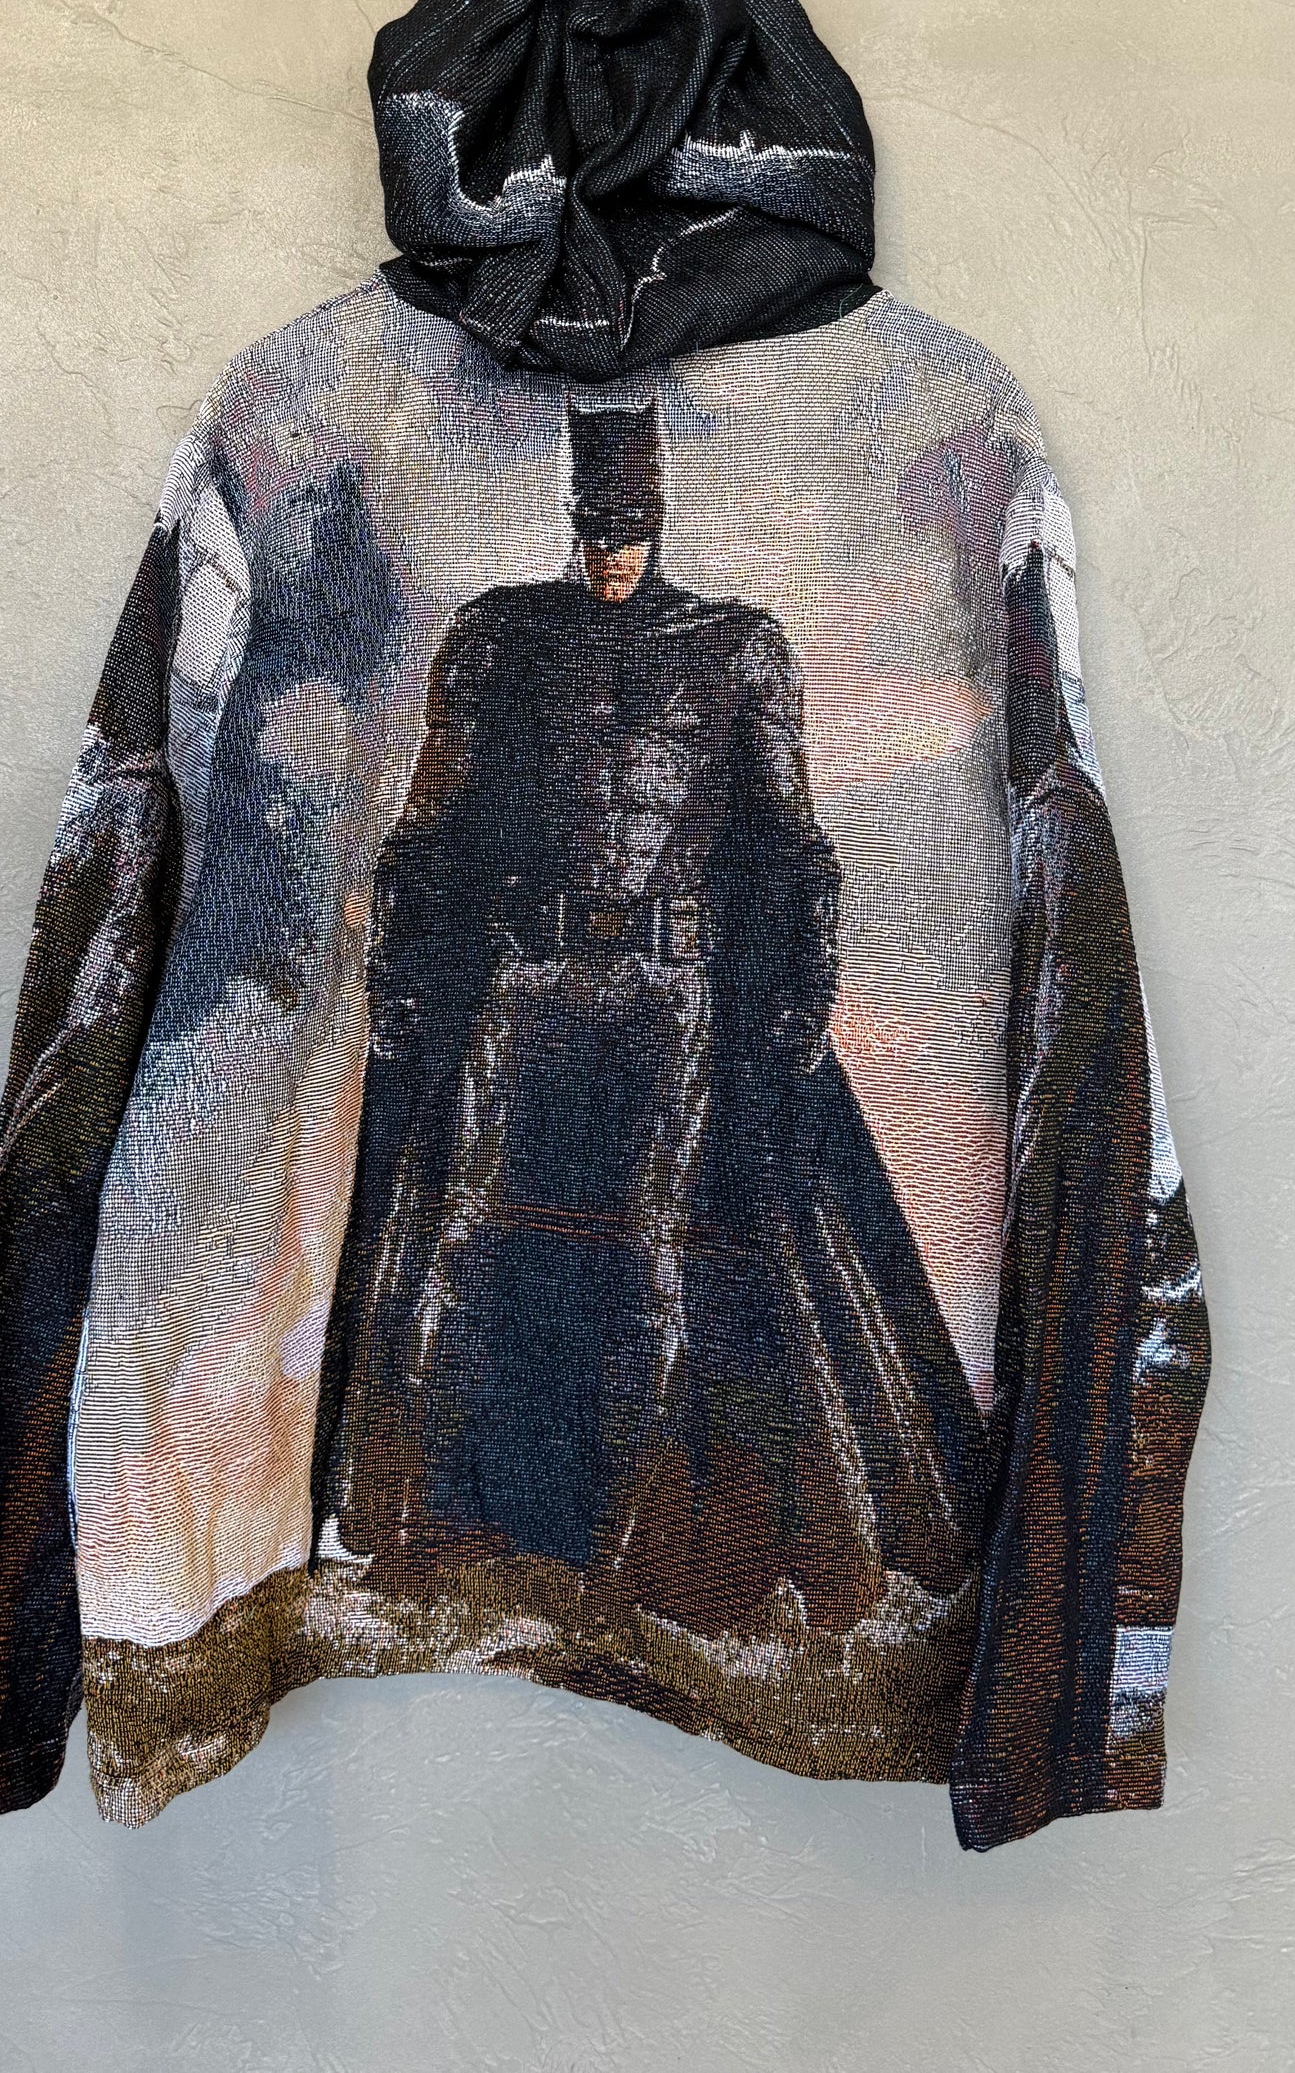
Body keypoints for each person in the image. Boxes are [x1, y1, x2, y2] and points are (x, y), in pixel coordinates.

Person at [311, 403, 985, 1643]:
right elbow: (425, 836)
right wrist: (402, 997)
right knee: (465, 1253)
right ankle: (432, 1529)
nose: (608, 553)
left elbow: (792, 853)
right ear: (571, 520)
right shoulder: (497, 640)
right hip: (522, 984)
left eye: (626, 529)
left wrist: (793, 1009)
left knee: (653, 1267)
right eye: (592, 528)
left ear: (659, 520)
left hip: (671, 999)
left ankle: (623, 1554)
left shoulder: (736, 650)